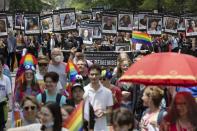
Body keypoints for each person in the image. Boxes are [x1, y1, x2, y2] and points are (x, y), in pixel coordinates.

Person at [83, 64, 113, 131]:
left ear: (100, 75)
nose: (94, 77)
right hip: (87, 127)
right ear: (88, 75)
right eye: (92, 74)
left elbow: (110, 110)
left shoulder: (107, 92)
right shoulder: (84, 90)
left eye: (96, 74)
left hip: (102, 127)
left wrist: (103, 113)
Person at [0, 57, 12, 130]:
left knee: (2, 126)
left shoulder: (6, 78)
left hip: (2, 106)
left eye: (0, 65)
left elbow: (9, 93)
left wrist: (10, 105)